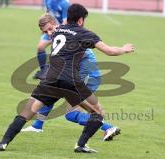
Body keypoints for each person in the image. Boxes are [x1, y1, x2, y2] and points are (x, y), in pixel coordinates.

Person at [0, 4, 135, 153]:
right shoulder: (85, 33)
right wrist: (123, 48)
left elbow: (49, 41)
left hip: (49, 79)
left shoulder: (57, 32)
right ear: (81, 20)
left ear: (67, 17)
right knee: (97, 112)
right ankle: (81, 145)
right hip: (70, 80)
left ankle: (3, 143)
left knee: (26, 113)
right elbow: (109, 51)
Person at [22, 8, 120, 142]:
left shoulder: (69, 36)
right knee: (50, 92)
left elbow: (77, 59)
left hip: (87, 77)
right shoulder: (63, 35)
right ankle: (38, 125)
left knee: (71, 113)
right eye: (46, 32)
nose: (49, 33)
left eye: (50, 29)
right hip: (81, 75)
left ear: (56, 23)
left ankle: (108, 127)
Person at [34, 0, 70, 79]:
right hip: (49, 29)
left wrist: (58, 33)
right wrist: (45, 30)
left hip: (62, 31)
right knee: (40, 47)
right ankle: (43, 70)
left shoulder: (64, 3)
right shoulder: (48, 1)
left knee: (59, 52)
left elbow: (65, 22)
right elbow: (47, 14)